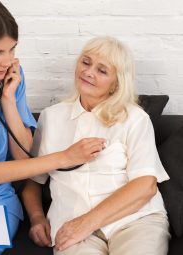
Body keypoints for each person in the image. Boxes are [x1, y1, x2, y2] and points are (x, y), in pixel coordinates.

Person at [0, 1, 105, 255]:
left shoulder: (10, 78)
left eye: (12, 49)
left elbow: (23, 155)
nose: (7, 61)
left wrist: (8, 101)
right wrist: (64, 157)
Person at [22, 36, 171, 255]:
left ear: (116, 84)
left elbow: (145, 186)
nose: (89, 72)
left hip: (135, 221)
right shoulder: (51, 118)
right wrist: (37, 218)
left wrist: (86, 223)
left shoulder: (135, 118)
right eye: (86, 62)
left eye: (102, 70)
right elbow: (33, 181)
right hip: (69, 227)